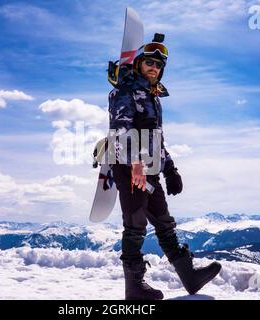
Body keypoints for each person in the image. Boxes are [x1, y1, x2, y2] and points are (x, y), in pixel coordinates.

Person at [108, 38, 222, 300]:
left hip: (149, 170)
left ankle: (189, 276)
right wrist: (135, 163)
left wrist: (170, 169)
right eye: (149, 62)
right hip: (129, 168)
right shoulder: (124, 92)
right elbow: (121, 131)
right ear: (138, 64)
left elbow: (155, 139)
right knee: (135, 226)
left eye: (159, 65)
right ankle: (134, 288)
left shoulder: (153, 97)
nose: (154, 68)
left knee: (164, 223)